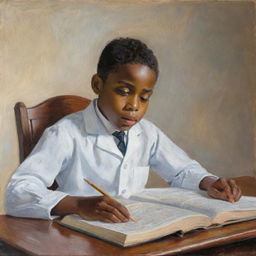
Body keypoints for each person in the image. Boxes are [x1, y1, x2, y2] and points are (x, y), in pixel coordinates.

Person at [5, 38, 241, 223]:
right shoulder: (65, 133)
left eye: (145, 97)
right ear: (98, 85)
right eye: (124, 91)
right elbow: (19, 191)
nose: (134, 106)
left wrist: (209, 182)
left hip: (135, 231)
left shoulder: (147, 133)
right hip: (80, 236)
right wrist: (78, 205)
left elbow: (181, 171)